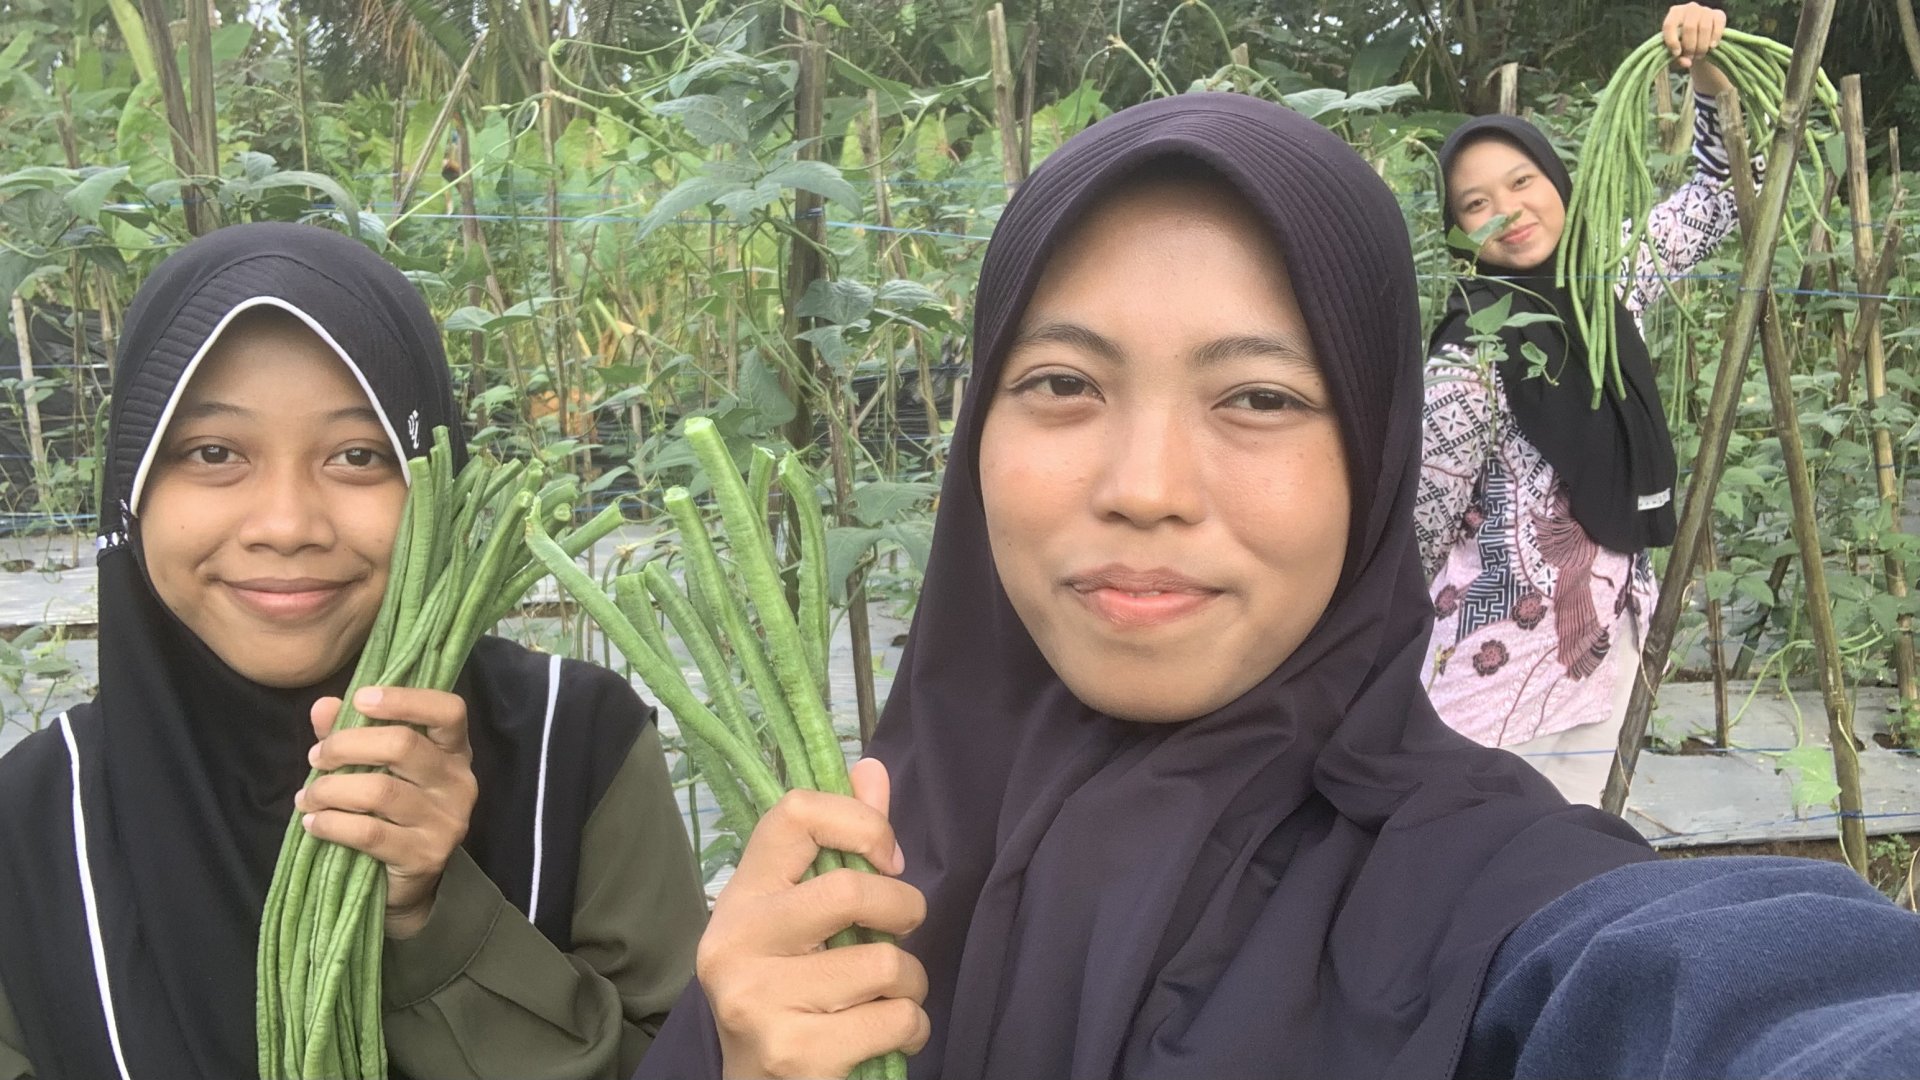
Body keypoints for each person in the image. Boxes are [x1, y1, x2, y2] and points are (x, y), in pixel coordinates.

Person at [633, 90, 1920, 1080]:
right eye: (1063, 384)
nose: (1145, 484)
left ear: (1369, 456)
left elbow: (1743, 1004)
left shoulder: (1477, 898)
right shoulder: (825, 891)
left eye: (1259, 397)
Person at [0, 222, 707, 1080]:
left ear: (432, 482)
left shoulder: (579, 747)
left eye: (358, 455)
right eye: (215, 453)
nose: (289, 526)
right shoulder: (30, 828)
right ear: (134, 488)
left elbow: (682, 1060)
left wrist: (434, 918)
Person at [1415, 2, 1748, 804]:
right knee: (1484, 871)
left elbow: (1729, 193)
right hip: (1487, 680)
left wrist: (1704, 71)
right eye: (1476, 203)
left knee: (1568, 872)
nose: (1509, 208)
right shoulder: (1473, 350)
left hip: (1600, 648)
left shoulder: (1611, 282)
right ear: (1462, 231)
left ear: (1556, 181)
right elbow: (1419, 530)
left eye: (1522, 181)